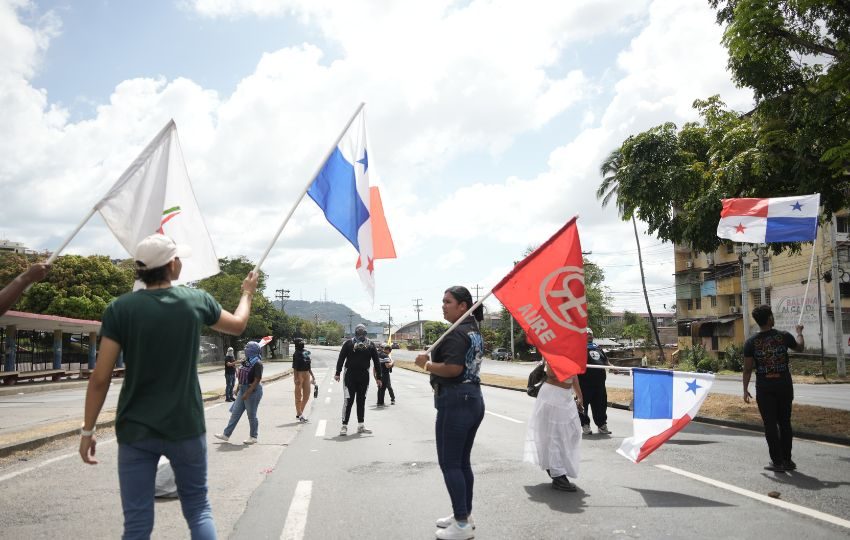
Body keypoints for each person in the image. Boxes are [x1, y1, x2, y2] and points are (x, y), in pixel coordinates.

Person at [79, 233, 258, 539]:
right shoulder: (196, 301)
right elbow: (238, 324)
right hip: (185, 425)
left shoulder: (119, 309)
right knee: (198, 509)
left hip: (135, 428)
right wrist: (247, 292)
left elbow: (100, 378)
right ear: (172, 265)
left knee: (136, 523)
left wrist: (87, 431)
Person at [415, 286, 485, 540]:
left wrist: (427, 364)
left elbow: (453, 369)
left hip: (456, 400)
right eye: (442, 301)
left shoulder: (457, 333)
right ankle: (463, 515)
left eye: (448, 301)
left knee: (451, 463)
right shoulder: (473, 329)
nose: (443, 305)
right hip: (473, 398)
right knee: (462, 462)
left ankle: (463, 525)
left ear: (463, 306)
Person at [743, 304, 804, 472]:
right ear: (770, 318)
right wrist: (799, 333)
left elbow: (748, 369)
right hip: (784, 384)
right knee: (785, 423)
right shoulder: (783, 336)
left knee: (770, 424)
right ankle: (787, 461)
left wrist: (744, 389)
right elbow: (800, 347)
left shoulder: (751, 342)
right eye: (772, 314)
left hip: (764, 387)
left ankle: (777, 463)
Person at [523, 359, 584, 492]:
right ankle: (558, 475)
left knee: (572, 433)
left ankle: (557, 468)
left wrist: (580, 396)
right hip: (552, 396)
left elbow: (574, 378)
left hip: (566, 398)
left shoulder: (573, 355)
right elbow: (551, 374)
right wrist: (567, 366)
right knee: (554, 437)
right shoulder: (553, 353)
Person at [335, 324, 382, 435]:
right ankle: (344, 425)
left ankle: (361, 425)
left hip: (364, 376)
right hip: (349, 375)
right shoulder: (348, 343)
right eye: (359, 333)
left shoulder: (370, 344)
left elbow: (376, 361)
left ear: (366, 333)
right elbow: (341, 358)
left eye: (363, 333)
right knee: (348, 400)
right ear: (356, 333)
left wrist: (379, 378)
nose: (361, 335)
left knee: (361, 401)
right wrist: (338, 372)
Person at [215, 341, 264, 445]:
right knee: (235, 413)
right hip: (243, 389)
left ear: (252, 350)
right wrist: (238, 388)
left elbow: (257, 380)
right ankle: (226, 434)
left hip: (253, 390)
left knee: (251, 414)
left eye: (247, 347)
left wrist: (247, 393)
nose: (245, 349)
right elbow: (242, 374)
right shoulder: (247, 361)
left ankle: (253, 436)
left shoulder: (257, 363)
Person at [577, 328, 612, 435]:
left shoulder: (598, 348)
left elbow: (606, 361)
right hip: (584, 383)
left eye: (591, 334)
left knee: (600, 405)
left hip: (600, 383)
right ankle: (585, 425)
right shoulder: (578, 348)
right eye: (587, 334)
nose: (590, 336)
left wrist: (612, 367)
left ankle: (601, 425)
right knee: (583, 406)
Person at [292, 338, 316, 422]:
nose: (301, 344)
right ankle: (300, 414)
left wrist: (313, 376)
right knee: (298, 396)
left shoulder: (305, 352)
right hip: (299, 374)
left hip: (307, 373)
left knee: (307, 395)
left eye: (302, 342)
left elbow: (308, 364)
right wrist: (295, 378)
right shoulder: (295, 354)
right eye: (300, 342)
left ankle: (299, 413)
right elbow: (295, 367)